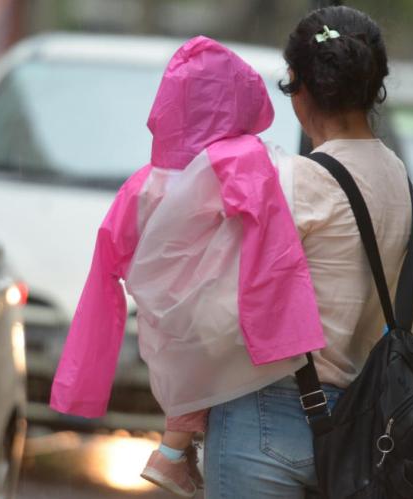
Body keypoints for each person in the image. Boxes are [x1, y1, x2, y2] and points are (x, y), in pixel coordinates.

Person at [49, 36, 327, 497]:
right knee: (221, 377)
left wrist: (84, 378)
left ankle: (173, 454)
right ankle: (173, 454)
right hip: (228, 315)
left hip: (168, 325)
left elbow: (106, 265)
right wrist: (285, 326)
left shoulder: (142, 181)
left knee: (191, 382)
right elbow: (269, 233)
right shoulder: (237, 160)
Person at [202, 6, 413, 498]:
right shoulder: (405, 186)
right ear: (374, 87)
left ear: (297, 88)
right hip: (358, 427)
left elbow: (227, 304)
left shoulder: (293, 181)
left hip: (262, 416)